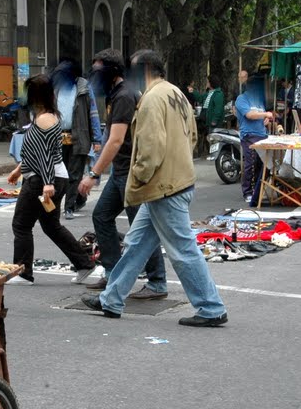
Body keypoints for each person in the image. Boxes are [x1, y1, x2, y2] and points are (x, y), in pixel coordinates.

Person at [81, 50, 228, 326]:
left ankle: (210, 307)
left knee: (182, 249)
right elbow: (193, 136)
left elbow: (149, 152)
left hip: (163, 186)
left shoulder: (150, 100)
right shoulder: (176, 93)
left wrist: (136, 180)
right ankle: (111, 300)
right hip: (174, 181)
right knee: (136, 244)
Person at [78, 49, 167, 299]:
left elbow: (116, 141)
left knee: (142, 230)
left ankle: (157, 282)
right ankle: (112, 272)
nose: (95, 77)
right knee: (102, 216)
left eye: (99, 71)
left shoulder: (125, 96)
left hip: (130, 172)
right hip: (120, 171)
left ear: (113, 72)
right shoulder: (116, 93)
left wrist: (93, 173)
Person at [6, 75, 96, 284]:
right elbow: (37, 152)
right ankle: (84, 263)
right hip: (52, 176)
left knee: (21, 224)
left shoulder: (44, 118)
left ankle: (23, 273)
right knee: (51, 226)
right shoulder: (48, 115)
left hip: (43, 179)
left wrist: (47, 183)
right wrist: (19, 170)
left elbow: (46, 154)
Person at [51, 59, 98, 219]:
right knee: (59, 174)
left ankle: (68, 207)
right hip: (58, 137)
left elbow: (93, 113)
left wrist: (97, 139)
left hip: (79, 135)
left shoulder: (84, 87)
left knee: (74, 174)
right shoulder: (55, 88)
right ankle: (77, 198)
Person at [235, 74, 274, 202]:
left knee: (262, 164)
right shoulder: (242, 99)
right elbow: (250, 115)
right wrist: (265, 114)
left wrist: (266, 119)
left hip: (262, 135)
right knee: (250, 164)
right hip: (249, 135)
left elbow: (262, 115)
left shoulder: (259, 100)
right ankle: (248, 192)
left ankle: (258, 190)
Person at [199, 74, 225, 152]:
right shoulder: (209, 93)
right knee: (210, 138)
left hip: (213, 122)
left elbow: (218, 108)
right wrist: (193, 92)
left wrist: (214, 120)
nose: (206, 83)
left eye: (208, 82)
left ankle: (215, 154)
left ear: (211, 83)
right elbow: (200, 98)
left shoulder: (218, 94)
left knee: (214, 139)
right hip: (207, 120)